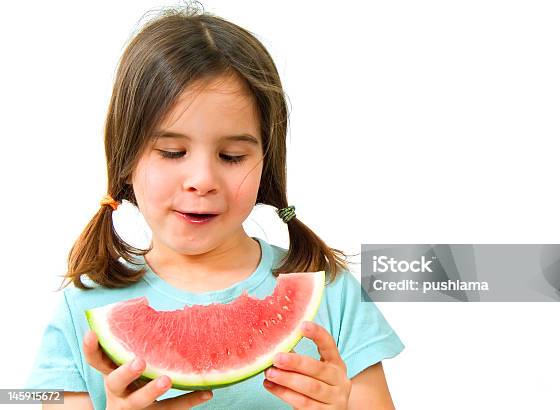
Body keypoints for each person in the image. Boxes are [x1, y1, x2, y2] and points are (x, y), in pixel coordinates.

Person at [25, 3, 404, 409]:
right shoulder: (82, 309)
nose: (202, 179)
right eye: (172, 152)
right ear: (125, 158)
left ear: (267, 164)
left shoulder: (330, 291)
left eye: (232, 156)